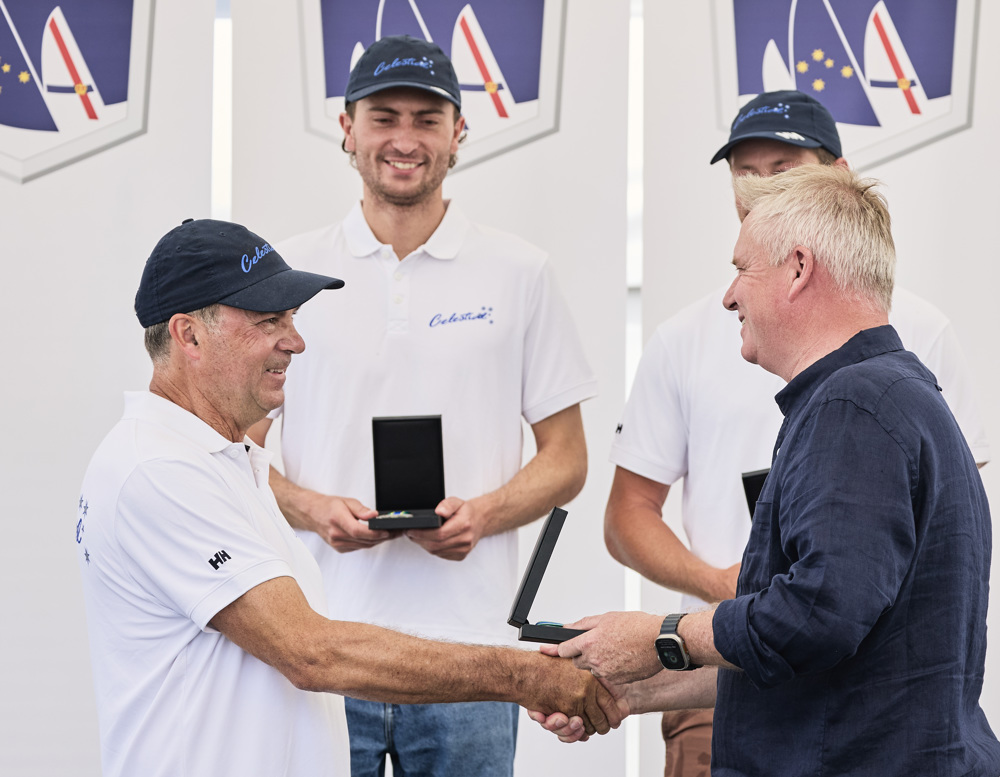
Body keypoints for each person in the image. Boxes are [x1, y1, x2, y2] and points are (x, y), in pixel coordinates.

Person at [74, 219, 622, 777]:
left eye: (292, 318)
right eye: (270, 321)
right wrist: (525, 676)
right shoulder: (162, 470)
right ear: (188, 335)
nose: (296, 340)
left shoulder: (216, 461)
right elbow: (311, 651)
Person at [536, 164, 1000, 776]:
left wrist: (658, 634)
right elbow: (820, 651)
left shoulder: (852, 405)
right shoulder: (895, 394)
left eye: (741, 268)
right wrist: (634, 688)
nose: (729, 294)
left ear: (799, 269)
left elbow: (817, 618)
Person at [246, 35, 597, 776]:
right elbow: (238, 453)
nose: (405, 138)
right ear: (347, 128)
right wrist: (311, 508)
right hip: (322, 645)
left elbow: (568, 457)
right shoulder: (289, 274)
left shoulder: (520, 272)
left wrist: (487, 512)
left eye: (427, 118)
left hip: (470, 652)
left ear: (457, 134)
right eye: (384, 116)